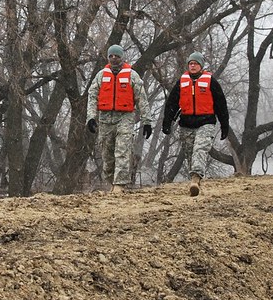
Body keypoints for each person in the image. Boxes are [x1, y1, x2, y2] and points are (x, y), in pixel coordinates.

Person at [161, 52, 230, 196]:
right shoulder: (182, 81)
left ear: (201, 66)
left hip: (206, 122)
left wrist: (225, 125)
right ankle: (196, 182)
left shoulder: (210, 81)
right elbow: (172, 103)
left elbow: (221, 104)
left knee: (200, 149)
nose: (192, 66)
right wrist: (167, 122)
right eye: (190, 63)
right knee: (190, 153)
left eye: (195, 63)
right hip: (186, 123)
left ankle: (195, 178)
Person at [86, 45, 152, 192]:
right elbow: (92, 96)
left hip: (125, 118)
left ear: (122, 57)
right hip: (105, 118)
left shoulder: (132, 76)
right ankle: (111, 182)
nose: (114, 58)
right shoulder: (101, 76)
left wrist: (147, 121)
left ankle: (119, 185)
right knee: (107, 155)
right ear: (108, 58)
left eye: (117, 56)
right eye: (111, 56)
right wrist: (90, 117)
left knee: (122, 150)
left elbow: (142, 98)